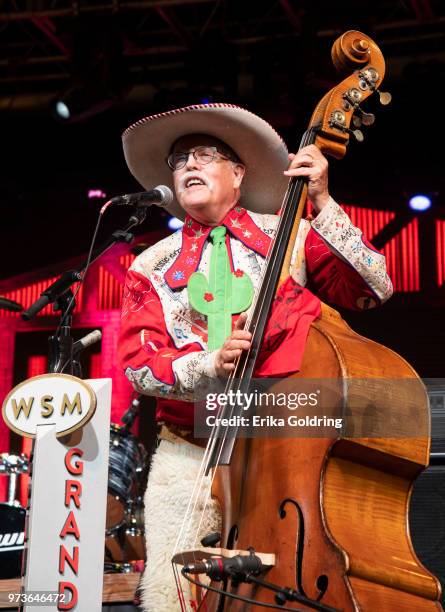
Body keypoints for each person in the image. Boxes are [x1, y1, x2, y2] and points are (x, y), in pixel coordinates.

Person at [118, 103, 393, 610]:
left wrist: (323, 201)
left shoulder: (291, 233)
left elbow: (374, 287)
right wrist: (208, 363)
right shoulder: (149, 265)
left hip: (286, 445)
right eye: (179, 161)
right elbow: (137, 365)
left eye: (205, 155)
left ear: (238, 173)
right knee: (169, 590)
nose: (189, 166)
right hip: (189, 449)